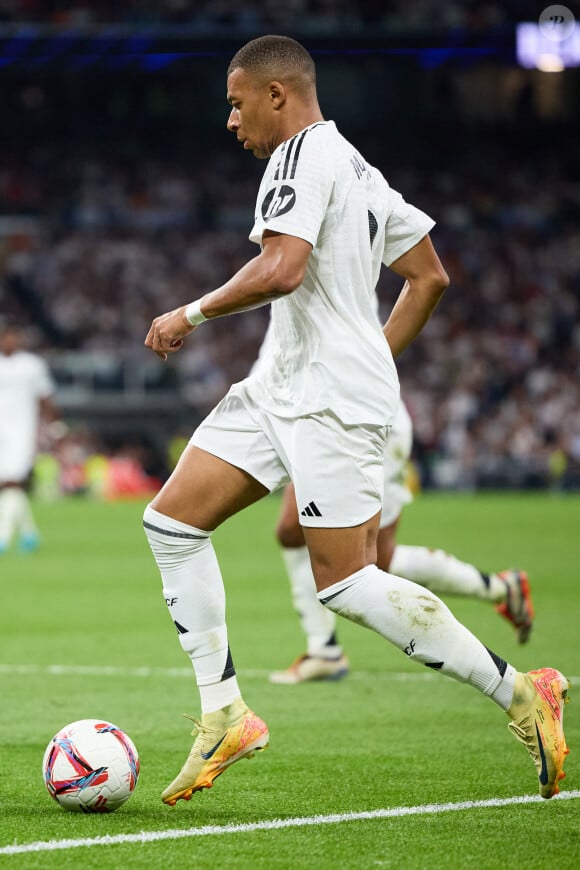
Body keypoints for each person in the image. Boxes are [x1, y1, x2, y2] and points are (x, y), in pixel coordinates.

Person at [143, 35, 569, 807]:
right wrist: (373, 353)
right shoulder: (359, 167)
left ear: (279, 95)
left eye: (238, 103)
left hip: (329, 397)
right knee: (170, 523)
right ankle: (225, 712)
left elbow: (283, 267)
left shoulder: (301, 158)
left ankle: (520, 689)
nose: (231, 120)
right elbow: (429, 275)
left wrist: (190, 313)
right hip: (281, 386)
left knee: (346, 584)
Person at [269, 398, 534, 684]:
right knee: (303, 535)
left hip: (367, 421)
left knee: (374, 559)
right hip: (326, 422)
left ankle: (501, 592)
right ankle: (324, 649)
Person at [0, 322, 57, 553]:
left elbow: (45, 397)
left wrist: (54, 426)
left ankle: (3, 536)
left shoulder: (32, 365)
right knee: (7, 484)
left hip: (22, 431)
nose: (10, 341)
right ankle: (29, 534)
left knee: (12, 481)